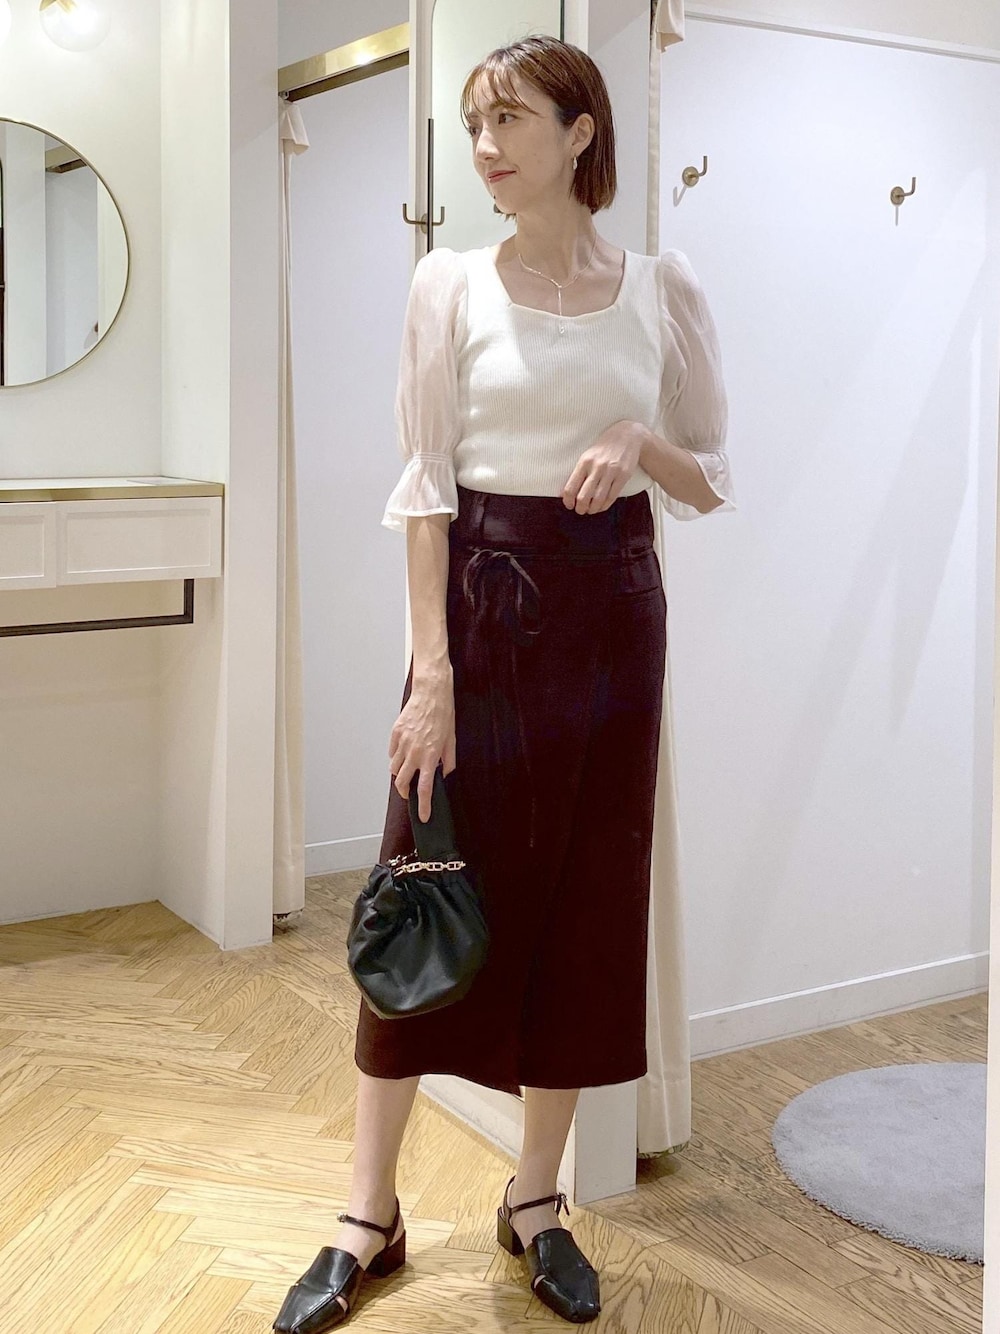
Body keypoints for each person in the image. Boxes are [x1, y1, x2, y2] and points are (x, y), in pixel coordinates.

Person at [273, 33, 734, 1334]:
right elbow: (424, 488)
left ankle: (535, 1198)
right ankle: (368, 1212)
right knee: (420, 887)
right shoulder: (449, 282)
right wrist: (429, 675)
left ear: (580, 133)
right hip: (479, 608)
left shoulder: (664, 288)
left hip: (616, 616)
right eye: (476, 123)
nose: (484, 147)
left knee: (586, 906)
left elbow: (711, 477)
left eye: (510, 120)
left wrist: (639, 439)